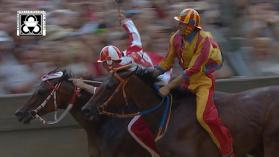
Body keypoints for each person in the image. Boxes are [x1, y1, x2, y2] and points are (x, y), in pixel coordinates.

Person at [73, 12, 164, 157]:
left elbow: (101, 91)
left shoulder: (120, 71)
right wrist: (126, 22)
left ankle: (156, 153)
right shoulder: (131, 51)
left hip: (158, 81)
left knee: (134, 127)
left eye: (104, 63)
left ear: (110, 62)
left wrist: (83, 86)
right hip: (161, 74)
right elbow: (135, 36)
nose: (103, 67)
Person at [149, 8, 235, 157]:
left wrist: (168, 87)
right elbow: (167, 62)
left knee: (205, 117)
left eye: (183, 24)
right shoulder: (175, 38)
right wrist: (151, 73)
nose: (179, 26)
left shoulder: (204, 40)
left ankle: (227, 150)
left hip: (202, 81)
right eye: (179, 23)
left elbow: (191, 70)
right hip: (185, 82)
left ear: (191, 27)